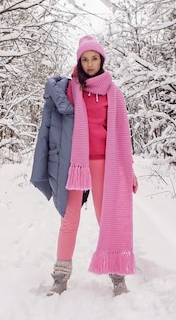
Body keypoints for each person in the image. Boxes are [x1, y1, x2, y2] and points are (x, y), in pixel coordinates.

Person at [30, 35, 138, 296]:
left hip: (105, 164)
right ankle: (60, 276)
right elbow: (54, 116)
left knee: (107, 218)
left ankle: (117, 276)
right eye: (85, 59)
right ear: (79, 61)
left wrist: (129, 169)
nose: (90, 63)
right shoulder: (71, 89)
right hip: (74, 165)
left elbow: (123, 134)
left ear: (101, 60)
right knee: (70, 219)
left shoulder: (114, 93)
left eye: (94, 58)